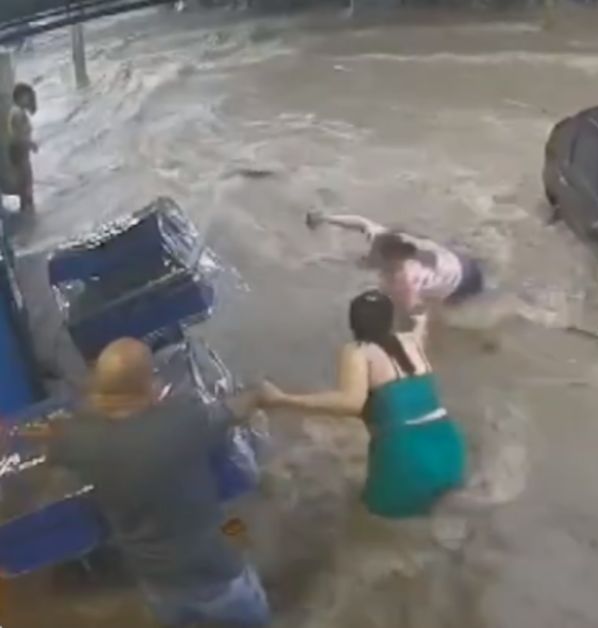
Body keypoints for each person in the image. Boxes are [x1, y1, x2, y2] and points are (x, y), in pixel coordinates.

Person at [17, 338, 271, 627]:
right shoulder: (184, 421)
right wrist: (260, 391)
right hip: (215, 571)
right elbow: (237, 408)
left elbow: (53, 444)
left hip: (156, 583)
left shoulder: (80, 442)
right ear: (150, 384)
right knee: (245, 591)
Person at [259, 289, 466, 519]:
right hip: (448, 446)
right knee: (438, 518)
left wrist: (283, 399)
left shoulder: (357, 351)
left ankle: (234, 531)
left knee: (367, 523)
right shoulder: (411, 341)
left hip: (406, 453)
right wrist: (422, 317)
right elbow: (419, 332)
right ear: (390, 319)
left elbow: (351, 403)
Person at [306, 211, 485, 314]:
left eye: (375, 259)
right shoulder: (391, 238)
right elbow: (361, 223)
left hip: (461, 283)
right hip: (456, 259)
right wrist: (326, 218)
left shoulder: (404, 280)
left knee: (454, 311)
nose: (370, 257)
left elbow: (414, 311)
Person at [7, 83, 38, 215]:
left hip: (18, 152)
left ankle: (27, 210)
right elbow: (18, 135)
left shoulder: (16, 111)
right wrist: (30, 144)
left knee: (24, 183)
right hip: (19, 152)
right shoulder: (18, 113)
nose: (29, 100)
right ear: (20, 97)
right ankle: (27, 211)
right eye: (27, 97)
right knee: (25, 183)